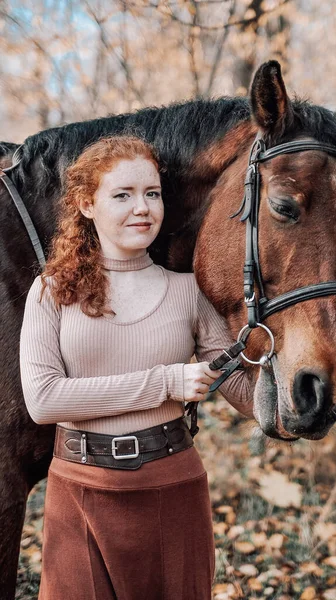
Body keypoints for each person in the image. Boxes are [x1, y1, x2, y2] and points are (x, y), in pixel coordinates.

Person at [19, 135, 255, 600]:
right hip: (80, 491)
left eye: (152, 194)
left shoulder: (190, 291)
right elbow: (43, 400)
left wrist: (285, 342)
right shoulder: (51, 292)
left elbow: (247, 398)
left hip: (173, 487)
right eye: (122, 195)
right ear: (87, 205)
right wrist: (167, 381)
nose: (142, 208)